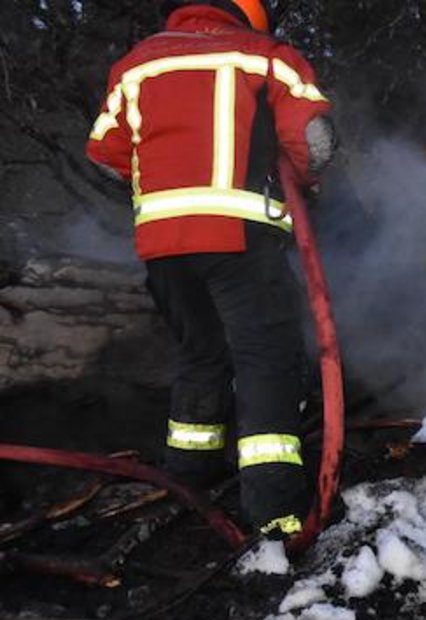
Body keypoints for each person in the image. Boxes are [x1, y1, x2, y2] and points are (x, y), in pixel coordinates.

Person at [87, 0, 335, 538]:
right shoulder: (267, 55)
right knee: (265, 360)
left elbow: (105, 153)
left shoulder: (136, 64)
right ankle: (274, 512)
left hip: (161, 246)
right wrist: (294, 179)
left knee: (200, 353)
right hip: (239, 239)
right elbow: (314, 142)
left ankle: (189, 477)